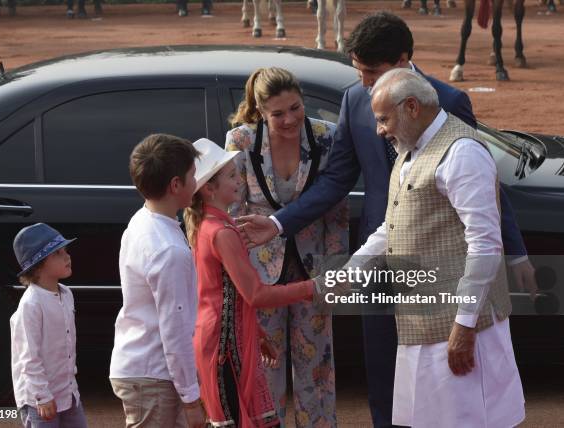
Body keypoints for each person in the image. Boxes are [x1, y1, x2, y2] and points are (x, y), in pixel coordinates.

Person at [235, 12, 536, 427]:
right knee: (396, 381)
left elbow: (484, 217)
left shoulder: (453, 133)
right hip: (389, 274)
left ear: (410, 96)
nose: (378, 130)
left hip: (443, 288)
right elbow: (380, 212)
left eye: (372, 74)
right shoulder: (392, 130)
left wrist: (478, 305)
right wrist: (335, 267)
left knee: (458, 400)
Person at [321, 67, 526, 427]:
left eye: (384, 119)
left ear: (412, 107)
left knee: (467, 419)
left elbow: (485, 244)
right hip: (423, 321)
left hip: (459, 326)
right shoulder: (411, 150)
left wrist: (464, 326)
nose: (380, 130)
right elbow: (394, 224)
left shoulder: (462, 153)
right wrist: (352, 269)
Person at [225, 67, 349, 426]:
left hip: (315, 271)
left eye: (295, 108)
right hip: (259, 275)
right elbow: (233, 211)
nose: (290, 119)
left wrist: (336, 270)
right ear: (261, 111)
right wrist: (239, 274)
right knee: (267, 364)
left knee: (318, 369)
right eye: (278, 113)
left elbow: (336, 210)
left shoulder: (326, 136)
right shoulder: (241, 141)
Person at [185, 138, 321, 427]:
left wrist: (256, 333)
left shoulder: (208, 225)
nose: (238, 180)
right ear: (209, 188)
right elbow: (255, 294)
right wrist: (313, 287)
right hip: (226, 345)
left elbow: (224, 293)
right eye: (232, 176)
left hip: (224, 339)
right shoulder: (220, 230)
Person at [109, 134, 205, 428]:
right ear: (175, 185)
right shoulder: (169, 250)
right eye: (192, 174)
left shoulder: (143, 220)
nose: (197, 180)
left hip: (144, 367)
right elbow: (174, 331)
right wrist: (191, 398)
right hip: (154, 374)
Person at [10, 222, 88, 428]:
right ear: (39, 264)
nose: (67, 257)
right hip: (39, 400)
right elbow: (29, 357)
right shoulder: (31, 304)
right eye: (58, 253)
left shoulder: (66, 293)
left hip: (68, 393)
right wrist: (42, 396)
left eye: (66, 251)